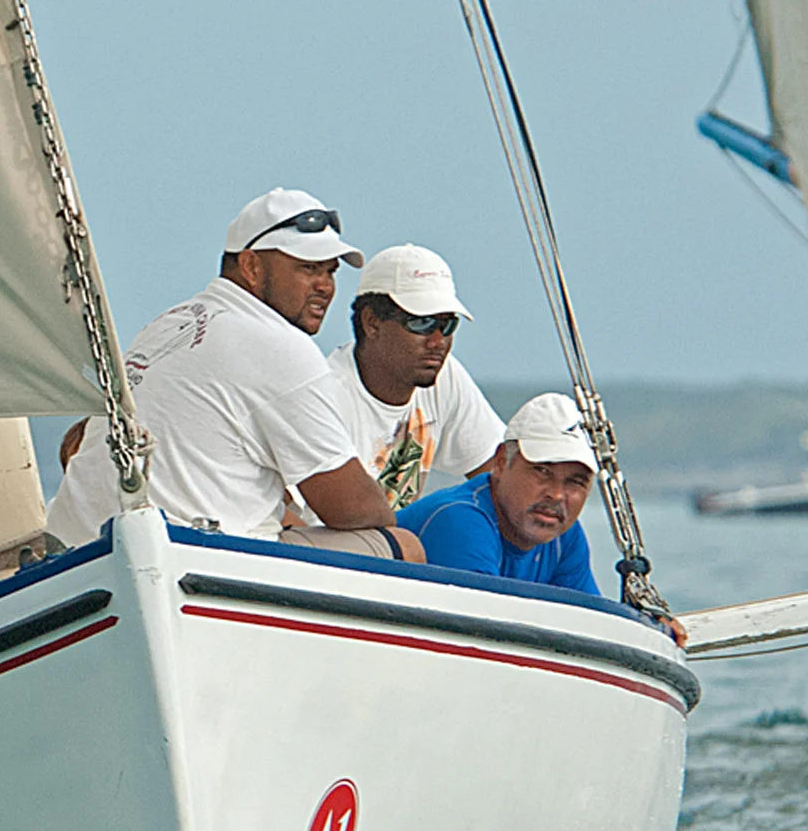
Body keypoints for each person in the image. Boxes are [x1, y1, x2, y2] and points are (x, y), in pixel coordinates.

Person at [46, 188, 421, 560]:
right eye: (308, 268)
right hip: (180, 557)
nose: (325, 285)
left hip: (76, 553)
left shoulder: (168, 323)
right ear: (252, 267)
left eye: (330, 271)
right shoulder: (280, 344)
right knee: (404, 547)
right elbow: (355, 509)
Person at [308, 244, 505, 512]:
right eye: (421, 323)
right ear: (372, 322)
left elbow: (504, 482)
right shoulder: (325, 394)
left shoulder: (445, 375)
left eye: (447, 324)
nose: (438, 341)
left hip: (388, 544)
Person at [397, 393, 600, 594]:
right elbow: (479, 619)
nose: (556, 495)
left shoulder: (564, 538)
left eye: (575, 482)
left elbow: (592, 622)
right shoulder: (461, 520)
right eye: (542, 471)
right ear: (501, 462)